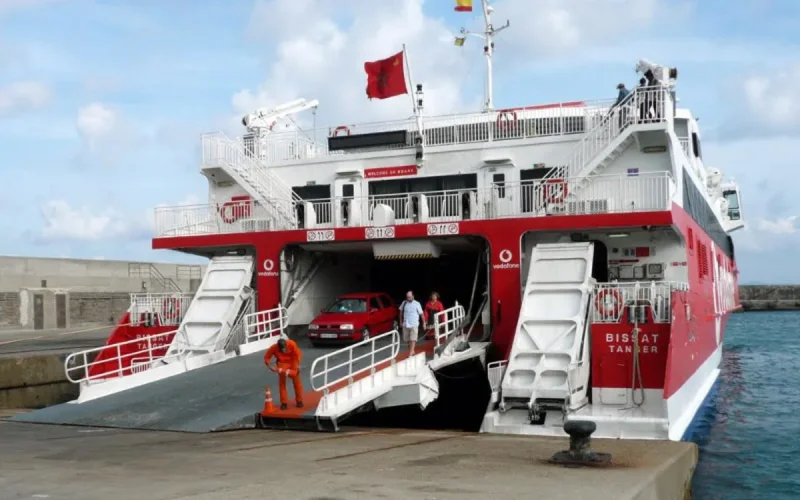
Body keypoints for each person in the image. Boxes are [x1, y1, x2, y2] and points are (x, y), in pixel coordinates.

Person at [264, 335, 304, 410]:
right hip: (282, 363)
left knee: (297, 383)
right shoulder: (273, 347)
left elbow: (298, 354)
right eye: (281, 350)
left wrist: (298, 365)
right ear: (278, 347)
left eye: (284, 349)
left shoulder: (292, 344)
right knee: (282, 383)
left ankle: (299, 401)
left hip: (293, 362)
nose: (283, 351)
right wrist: (269, 365)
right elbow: (267, 357)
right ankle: (284, 402)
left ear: (286, 344)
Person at [399, 290, 424, 355]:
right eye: (407, 297)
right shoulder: (404, 303)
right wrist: (400, 321)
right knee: (407, 340)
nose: (408, 298)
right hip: (406, 324)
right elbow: (401, 312)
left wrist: (424, 323)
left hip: (414, 324)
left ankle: (411, 352)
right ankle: (411, 351)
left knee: (413, 338)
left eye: (409, 297)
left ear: (413, 296)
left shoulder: (417, 303)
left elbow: (421, 314)